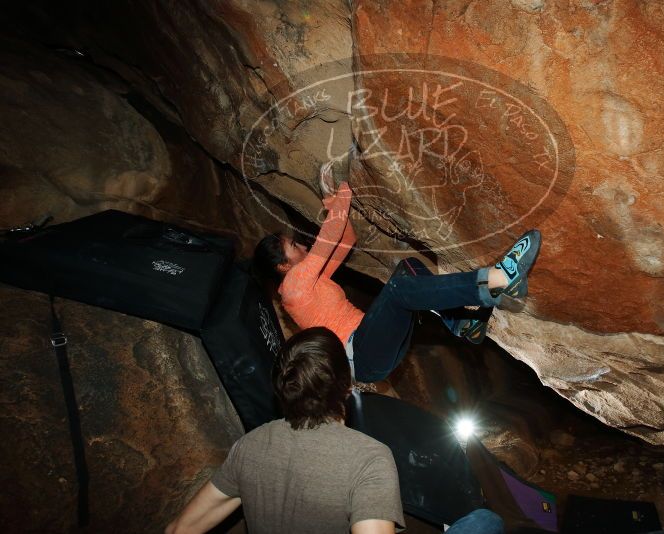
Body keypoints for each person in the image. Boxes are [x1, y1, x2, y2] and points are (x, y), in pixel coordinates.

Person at [164, 327, 504, 534]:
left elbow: (178, 528)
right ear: (346, 388)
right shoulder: (370, 459)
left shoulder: (248, 447)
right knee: (486, 523)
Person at [254, 163, 541, 384]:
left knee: (408, 270)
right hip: (362, 356)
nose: (301, 245)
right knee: (397, 291)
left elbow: (346, 238)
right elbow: (329, 234)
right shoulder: (294, 286)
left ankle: (462, 322)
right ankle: (497, 281)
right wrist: (342, 191)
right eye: (293, 245)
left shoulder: (309, 284)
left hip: (374, 345)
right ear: (282, 266)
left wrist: (333, 203)